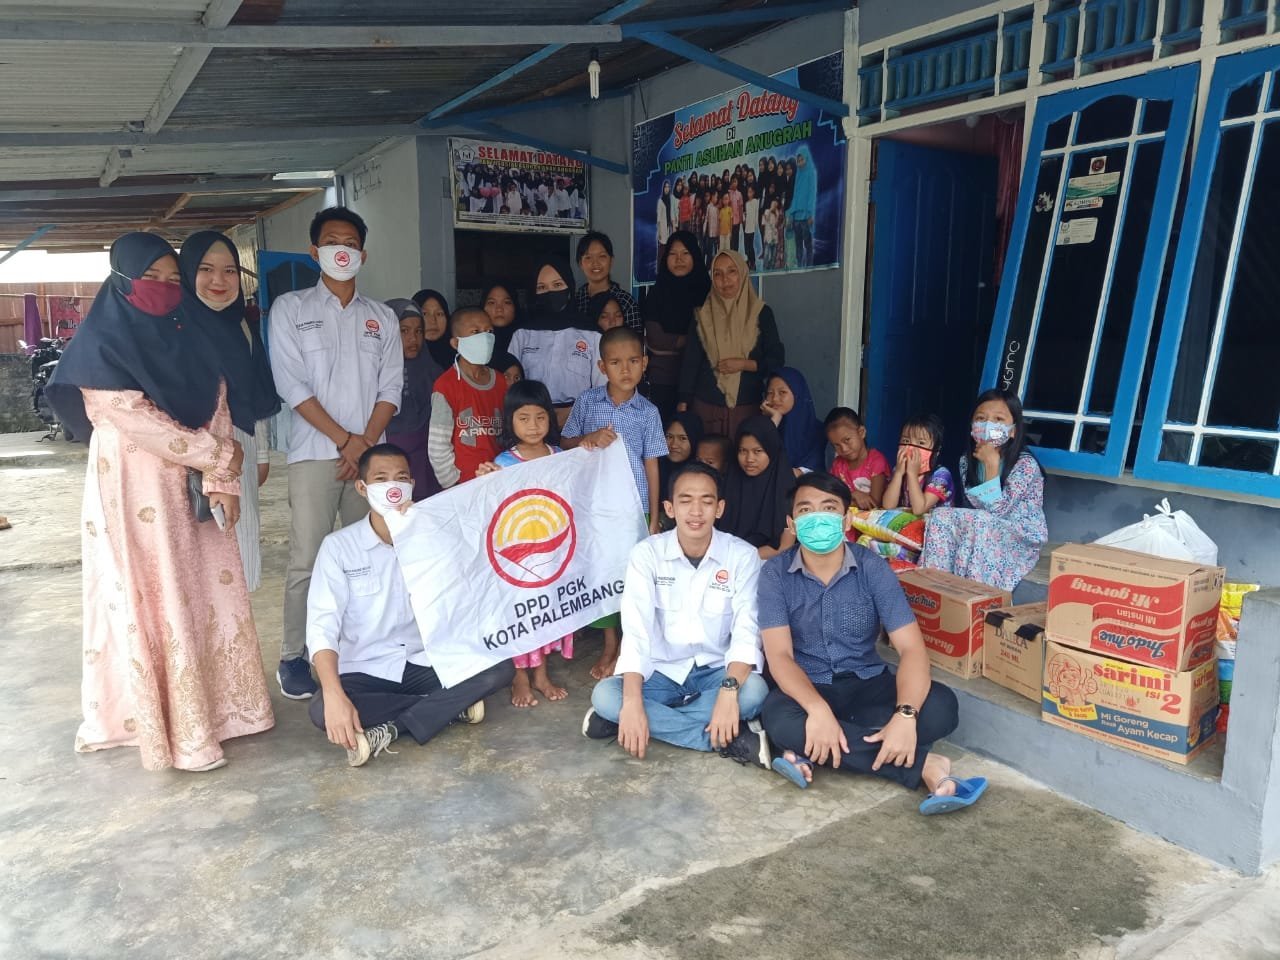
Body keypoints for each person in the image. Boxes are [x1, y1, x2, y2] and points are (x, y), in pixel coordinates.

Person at [47, 232, 273, 772]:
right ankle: (178, 729)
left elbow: (218, 398)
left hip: (193, 483)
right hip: (134, 483)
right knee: (155, 591)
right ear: (121, 280)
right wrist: (217, 456)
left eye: (174, 279)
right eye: (151, 278)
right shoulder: (101, 342)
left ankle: (224, 711)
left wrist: (221, 478)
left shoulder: (190, 331)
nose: (165, 289)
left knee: (204, 588)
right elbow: (128, 415)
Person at [758, 472, 986, 813]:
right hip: (809, 687)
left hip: (867, 683)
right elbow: (779, 656)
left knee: (941, 706)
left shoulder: (872, 568)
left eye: (829, 508)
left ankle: (820, 747)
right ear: (792, 523)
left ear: (846, 519)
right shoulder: (775, 573)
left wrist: (905, 715)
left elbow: (910, 648)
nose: (817, 517)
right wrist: (817, 710)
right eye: (805, 510)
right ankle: (925, 765)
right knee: (779, 719)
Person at [307, 443, 512, 767]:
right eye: (381, 479)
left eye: (401, 478)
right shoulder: (338, 548)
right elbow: (322, 625)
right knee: (321, 709)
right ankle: (446, 707)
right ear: (362, 488)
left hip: (425, 659)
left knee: (499, 667)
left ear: (412, 485)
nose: (393, 486)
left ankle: (392, 728)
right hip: (365, 667)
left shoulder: (433, 533)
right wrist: (334, 695)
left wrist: (487, 489)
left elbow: (476, 551)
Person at [269, 206, 403, 701]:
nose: (341, 250)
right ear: (315, 251)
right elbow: (292, 385)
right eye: (331, 241)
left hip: (368, 459)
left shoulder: (382, 317)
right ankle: (294, 656)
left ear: (363, 254)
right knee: (308, 557)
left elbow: (391, 387)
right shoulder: (290, 309)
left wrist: (363, 446)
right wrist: (347, 441)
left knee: (371, 555)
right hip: (313, 454)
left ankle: (361, 650)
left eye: (350, 242)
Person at [583, 462, 771, 768]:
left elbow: (746, 631)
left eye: (706, 501)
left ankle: (626, 722)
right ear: (669, 508)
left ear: (720, 508)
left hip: (715, 672)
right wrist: (631, 700)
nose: (696, 511)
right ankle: (727, 739)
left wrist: (728, 691)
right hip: (660, 672)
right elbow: (636, 631)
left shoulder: (742, 555)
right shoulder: (647, 554)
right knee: (606, 695)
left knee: (754, 692)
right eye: (685, 500)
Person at [562, 325, 669, 679]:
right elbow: (564, 443)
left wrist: (653, 516)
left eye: (634, 361)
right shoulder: (587, 402)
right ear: (601, 366)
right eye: (616, 362)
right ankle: (609, 642)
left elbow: (651, 463)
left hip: (635, 506)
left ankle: (627, 642)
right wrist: (589, 437)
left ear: (645, 363)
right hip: (596, 506)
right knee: (603, 573)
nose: (626, 369)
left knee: (632, 575)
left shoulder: (648, 412)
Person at [177, 230, 280, 592]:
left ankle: (237, 619)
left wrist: (261, 453)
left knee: (239, 537)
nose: (219, 280)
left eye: (230, 270)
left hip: (239, 448)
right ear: (187, 273)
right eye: (206, 269)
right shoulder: (173, 327)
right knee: (193, 553)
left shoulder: (243, 327)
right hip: (184, 451)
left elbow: (254, 394)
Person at [475, 380, 575, 707]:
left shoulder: (560, 457)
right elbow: (492, 511)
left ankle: (541, 675)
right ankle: (519, 677)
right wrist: (486, 482)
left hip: (551, 553)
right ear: (510, 421)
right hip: (518, 556)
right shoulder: (503, 463)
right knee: (520, 615)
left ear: (550, 419)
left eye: (540, 417)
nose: (533, 425)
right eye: (524, 418)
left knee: (545, 613)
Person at [920, 389, 1047, 591]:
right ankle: (935, 588)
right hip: (985, 529)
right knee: (940, 515)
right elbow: (979, 510)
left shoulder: (1025, 465)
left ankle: (974, 594)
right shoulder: (966, 461)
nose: (988, 425)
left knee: (981, 521)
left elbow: (998, 512)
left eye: (998, 419)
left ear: (1013, 431)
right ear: (972, 425)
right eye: (981, 418)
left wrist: (991, 465)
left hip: (1020, 537)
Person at [679, 250, 785, 438]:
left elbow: (776, 359)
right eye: (717, 274)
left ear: (742, 273)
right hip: (706, 408)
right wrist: (683, 401)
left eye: (731, 271)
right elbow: (691, 362)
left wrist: (744, 364)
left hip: (747, 407)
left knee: (744, 455)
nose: (725, 280)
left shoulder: (761, 313)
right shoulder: (702, 316)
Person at [511, 259, 605, 425]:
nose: (550, 292)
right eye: (542, 287)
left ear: (570, 287)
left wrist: (574, 414)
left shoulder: (592, 333)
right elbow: (510, 385)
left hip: (580, 425)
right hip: (531, 426)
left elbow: (602, 388)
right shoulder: (522, 334)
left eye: (557, 285)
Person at [427, 307, 507, 488]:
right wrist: (453, 484)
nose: (485, 337)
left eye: (489, 331)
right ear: (456, 343)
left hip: (499, 478)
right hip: (464, 485)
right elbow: (438, 446)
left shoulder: (501, 382)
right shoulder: (446, 385)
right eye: (475, 332)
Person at [643, 231, 710, 424]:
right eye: (673, 254)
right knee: (664, 434)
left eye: (685, 253)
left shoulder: (708, 293)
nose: (679, 259)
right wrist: (694, 342)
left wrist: (673, 345)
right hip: (663, 380)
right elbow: (655, 339)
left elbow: (714, 339)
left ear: (695, 256)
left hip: (701, 380)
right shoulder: (656, 293)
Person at [384, 298, 443, 501]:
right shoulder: (374, 372)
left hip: (426, 460)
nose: (413, 338)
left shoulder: (434, 371)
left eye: (418, 331)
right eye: (404, 331)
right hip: (387, 458)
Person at [718, 415, 796, 560]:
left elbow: (784, 547)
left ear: (771, 450)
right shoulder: (729, 485)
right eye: (743, 451)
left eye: (758, 451)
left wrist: (739, 560)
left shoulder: (787, 489)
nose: (749, 459)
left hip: (769, 565)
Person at [883, 413, 954, 516]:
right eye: (906, 441)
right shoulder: (898, 470)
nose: (911, 448)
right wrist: (898, 474)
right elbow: (888, 506)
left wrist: (912, 474)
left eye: (921, 443)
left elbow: (919, 509)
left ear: (936, 450)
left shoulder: (941, 475)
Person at [573, 232, 642, 335]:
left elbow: (635, 341)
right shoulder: (575, 301)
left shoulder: (626, 301)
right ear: (580, 264)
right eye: (588, 257)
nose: (595, 263)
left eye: (602, 256)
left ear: (611, 261)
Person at [762, 367, 825, 474]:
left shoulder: (817, 430)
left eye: (782, 392)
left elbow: (812, 470)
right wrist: (774, 420)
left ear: (797, 394)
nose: (775, 399)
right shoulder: (759, 426)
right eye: (770, 393)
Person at [825, 407, 890, 511]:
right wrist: (853, 495)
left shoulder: (876, 461)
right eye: (837, 445)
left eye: (847, 440)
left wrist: (845, 501)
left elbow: (874, 504)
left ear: (861, 432)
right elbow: (830, 496)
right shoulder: (838, 465)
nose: (844, 449)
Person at [657, 411, 704, 531]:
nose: (674, 445)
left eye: (683, 438)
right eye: (669, 437)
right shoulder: (654, 469)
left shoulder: (701, 475)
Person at [480, 280, 522, 383]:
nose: (499, 309)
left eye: (507, 302)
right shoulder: (474, 341)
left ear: (515, 306)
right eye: (492, 302)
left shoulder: (526, 339)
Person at [787, 145, 818, 269]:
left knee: (808, 245)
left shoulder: (811, 173)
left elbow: (812, 194)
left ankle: (809, 268)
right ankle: (799, 268)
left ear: (807, 158)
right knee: (798, 245)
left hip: (806, 217)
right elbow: (795, 195)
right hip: (796, 217)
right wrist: (791, 215)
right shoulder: (798, 175)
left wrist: (810, 214)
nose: (800, 163)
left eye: (802, 160)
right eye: (798, 161)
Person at [412, 288, 456, 369]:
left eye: (439, 314)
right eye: (424, 314)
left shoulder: (461, 359)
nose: (432, 321)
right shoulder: (403, 356)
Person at [656, 179, 673, 272]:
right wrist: (659, 232)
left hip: (668, 228)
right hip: (662, 229)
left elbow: (670, 215)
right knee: (661, 252)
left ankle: (666, 270)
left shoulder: (669, 200)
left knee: (667, 250)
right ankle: (659, 270)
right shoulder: (660, 201)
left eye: (668, 187)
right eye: (665, 187)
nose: (667, 189)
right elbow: (658, 219)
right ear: (663, 188)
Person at [743, 184, 760, 271]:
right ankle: (749, 261)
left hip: (753, 228)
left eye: (750, 192)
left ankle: (753, 263)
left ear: (753, 192)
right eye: (748, 192)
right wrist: (744, 217)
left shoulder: (755, 201)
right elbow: (746, 215)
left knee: (751, 247)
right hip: (747, 228)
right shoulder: (746, 203)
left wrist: (756, 225)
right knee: (747, 247)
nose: (749, 194)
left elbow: (756, 214)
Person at [761, 199, 781, 270]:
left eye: (775, 205)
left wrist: (777, 216)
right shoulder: (767, 211)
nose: (774, 206)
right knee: (767, 255)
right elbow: (766, 220)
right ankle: (765, 269)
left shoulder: (777, 213)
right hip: (768, 236)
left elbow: (776, 225)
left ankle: (772, 269)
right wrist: (770, 210)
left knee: (773, 255)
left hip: (775, 237)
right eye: (773, 204)